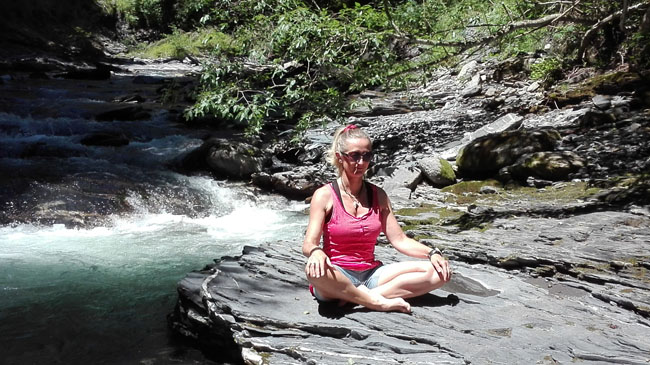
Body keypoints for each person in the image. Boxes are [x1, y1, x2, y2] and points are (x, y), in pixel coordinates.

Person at [302, 124, 452, 313]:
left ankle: (359, 297)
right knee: (314, 273)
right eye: (355, 156)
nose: (362, 162)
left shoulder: (378, 195)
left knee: (439, 273)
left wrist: (432, 253)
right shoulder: (324, 195)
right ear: (340, 157)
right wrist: (316, 252)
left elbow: (399, 240)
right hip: (337, 273)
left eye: (367, 155)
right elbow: (309, 243)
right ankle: (378, 302)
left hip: (372, 275)